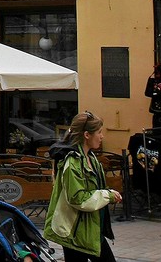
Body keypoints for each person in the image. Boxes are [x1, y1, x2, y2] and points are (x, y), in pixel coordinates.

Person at [45, 111, 122, 262]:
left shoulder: (90, 158)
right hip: (75, 231)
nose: (102, 136)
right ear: (87, 135)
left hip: (88, 228)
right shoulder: (72, 162)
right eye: (99, 132)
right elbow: (78, 198)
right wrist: (108, 195)